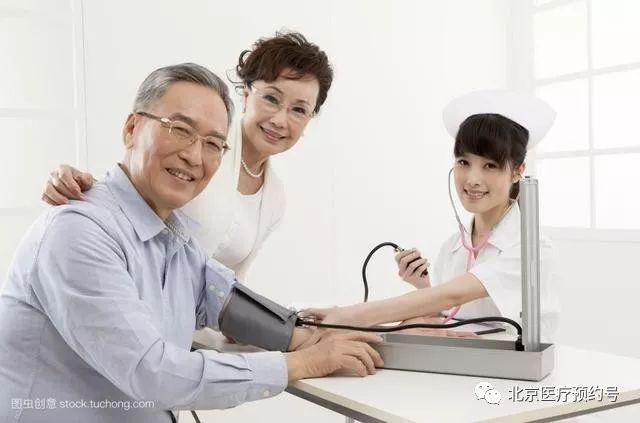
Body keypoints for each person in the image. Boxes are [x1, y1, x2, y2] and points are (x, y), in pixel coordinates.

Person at [0, 63, 382, 423]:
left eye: (213, 143)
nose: (194, 155)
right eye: (180, 129)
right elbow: (152, 374)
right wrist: (304, 361)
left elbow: (220, 296)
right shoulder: (79, 232)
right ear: (132, 128)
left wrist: (306, 336)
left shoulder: (175, 235)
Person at [40, 31, 333, 282]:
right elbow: (128, 181)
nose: (280, 120)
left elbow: (233, 284)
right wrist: (70, 180)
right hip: (135, 294)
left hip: (196, 323)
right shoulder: (198, 149)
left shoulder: (274, 197)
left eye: (299, 110)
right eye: (271, 98)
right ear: (246, 94)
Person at [305, 90, 560, 339]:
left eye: (490, 165)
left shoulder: (532, 248)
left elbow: (453, 295)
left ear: (517, 172)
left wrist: (348, 316)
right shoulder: (453, 247)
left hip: (513, 366)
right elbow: (447, 314)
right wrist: (423, 287)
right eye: (463, 162)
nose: (472, 179)